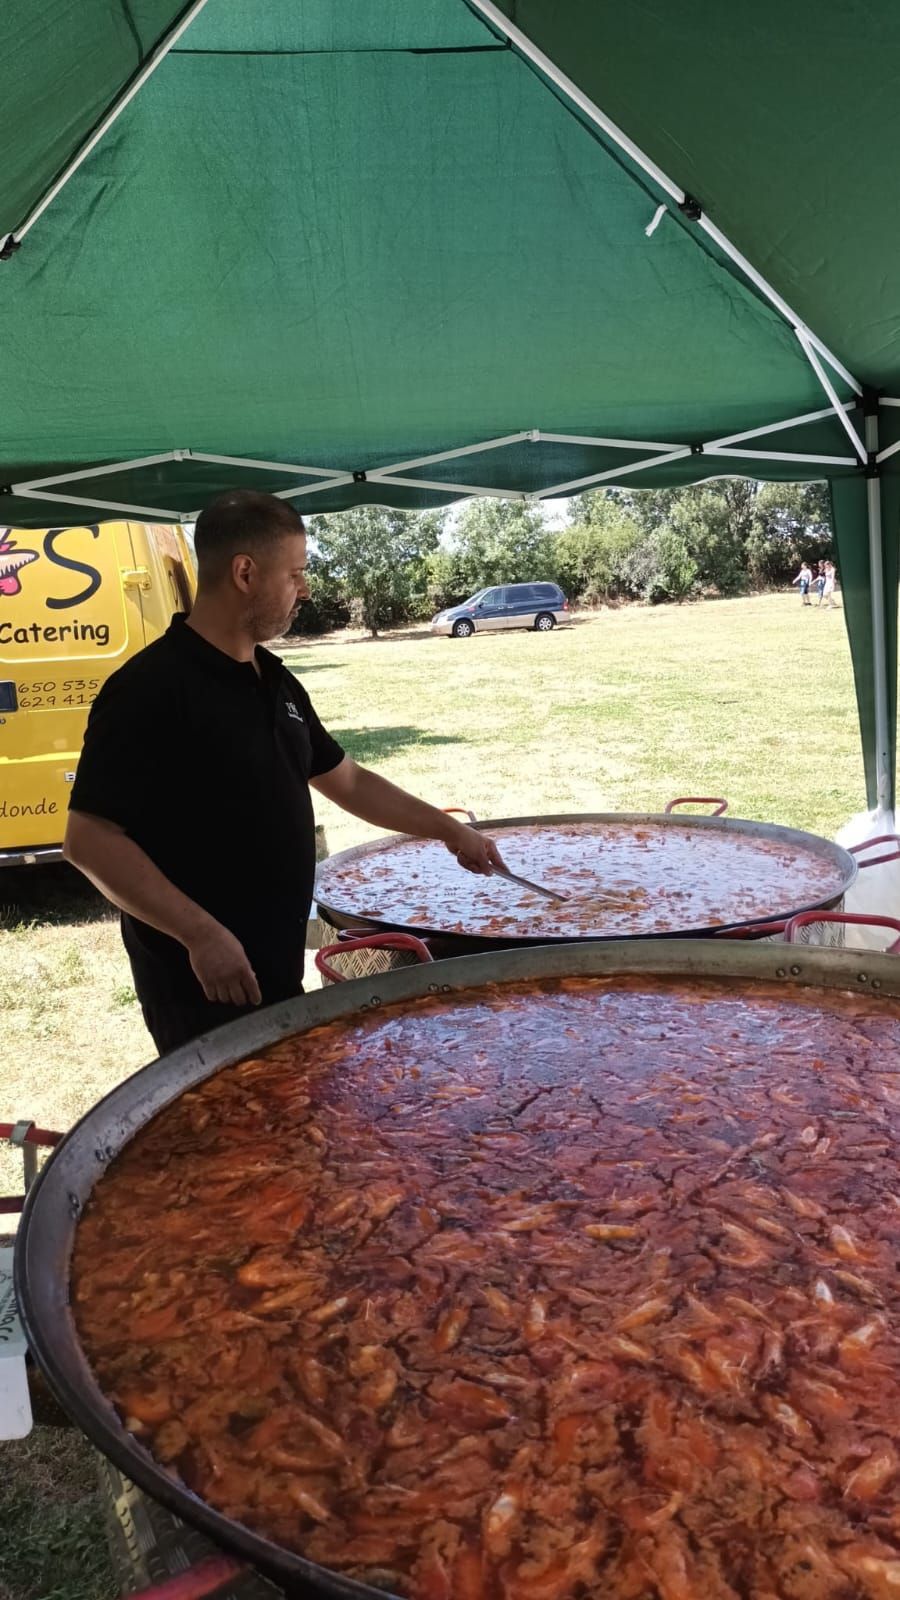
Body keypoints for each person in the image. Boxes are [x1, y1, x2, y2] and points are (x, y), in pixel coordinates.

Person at [64, 490, 506, 1054]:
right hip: (203, 985)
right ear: (245, 573)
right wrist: (200, 935)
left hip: (273, 969)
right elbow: (90, 839)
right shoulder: (150, 689)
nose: (306, 589)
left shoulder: (274, 680)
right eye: (295, 573)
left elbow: (346, 779)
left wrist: (451, 831)